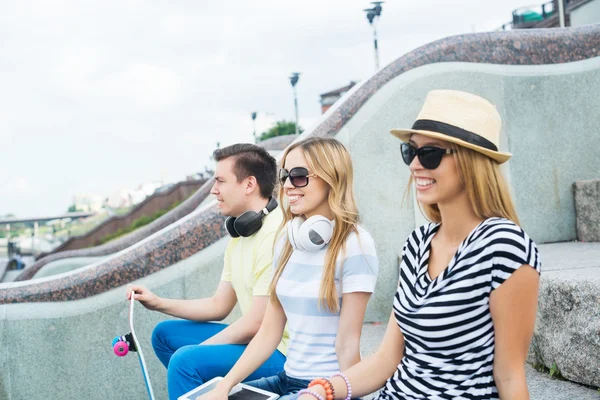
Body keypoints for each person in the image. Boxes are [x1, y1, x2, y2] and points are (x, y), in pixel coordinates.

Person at [297, 90, 541, 400]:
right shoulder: (418, 242)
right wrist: (321, 391)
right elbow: (386, 360)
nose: (414, 165)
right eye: (410, 152)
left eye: (430, 154)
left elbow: (509, 375)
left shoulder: (504, 247)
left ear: (471, 162)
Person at [198, 137, 379, 400]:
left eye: (299, 176)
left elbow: (348, 343)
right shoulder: (286, 240)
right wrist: (224, 387)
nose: (288, 186)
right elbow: (269, 332)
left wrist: (348, 393)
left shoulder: (356, 245)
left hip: (325, 386)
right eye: (284, 176)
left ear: (331, 178)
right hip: (287, 378)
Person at [127, 143, 288, 400]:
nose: (214, 190)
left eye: (220, 181)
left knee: (185, 362)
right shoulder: (240, 233)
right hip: (256, 339)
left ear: (249, 184)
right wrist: (157, 303)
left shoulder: (274, 234)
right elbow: (218, 306)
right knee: (164, 336)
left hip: (281, 351)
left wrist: (197, 351)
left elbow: (257, 323)